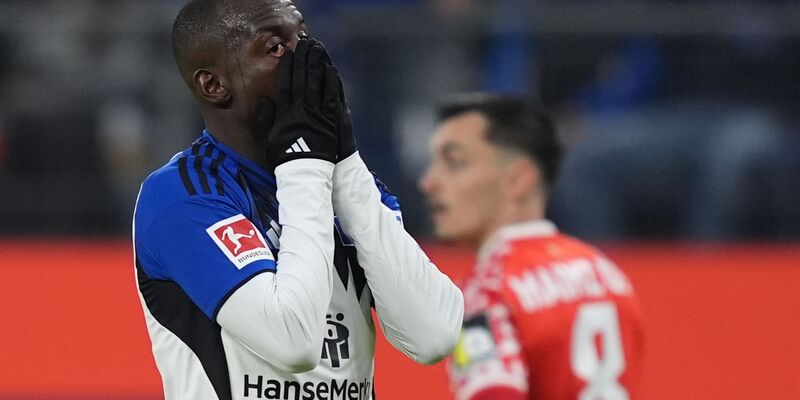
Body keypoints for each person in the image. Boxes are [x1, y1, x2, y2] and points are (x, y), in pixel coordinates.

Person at [133, 1, 464, 399]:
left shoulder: (345, 183)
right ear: (214, 85)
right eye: (276, 47)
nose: (307, 62)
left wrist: (344, 160)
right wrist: (304, 162)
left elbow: (434, 335)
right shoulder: (183, 195)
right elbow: (292, 343)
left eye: (305, 40)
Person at [418, 94, 644, 400]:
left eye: (454, 163)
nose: (428, 182)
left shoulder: (486, 293)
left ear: (518, 180)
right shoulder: (607, 276)